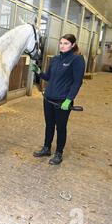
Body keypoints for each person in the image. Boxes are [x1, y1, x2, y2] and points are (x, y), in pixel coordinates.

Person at [30, 34, 85, 165]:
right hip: (48, 99)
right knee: (49, 125)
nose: (62, 45)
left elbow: (77, 82)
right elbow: (48, 77)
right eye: (61, 43)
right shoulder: (55, 59)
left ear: (72, 45)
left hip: (62, 101)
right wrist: (39, 72)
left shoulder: (77, 59)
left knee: (60, 127)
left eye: (66, 43)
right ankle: (46, 148)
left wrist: (69, 99)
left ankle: (59, 153)